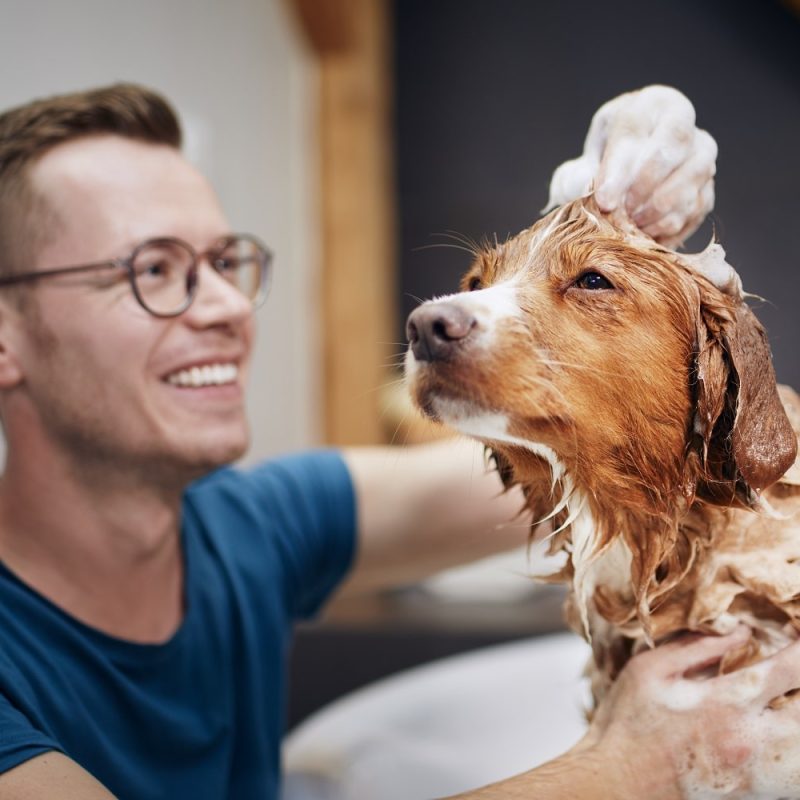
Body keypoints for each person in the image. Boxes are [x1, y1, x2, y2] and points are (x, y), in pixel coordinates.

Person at [0, 83, 796, 800]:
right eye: (154, 270)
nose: (225, 308)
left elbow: (670, 452)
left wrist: (677, 337)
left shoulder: (243, 528)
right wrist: (632, 764)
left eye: (223, 261)